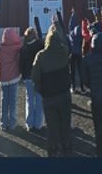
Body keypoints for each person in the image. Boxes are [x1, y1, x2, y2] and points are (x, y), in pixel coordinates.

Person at [31, 19, 73, 157]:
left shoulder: (41, 56)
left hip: (49, 96)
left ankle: (52, 151)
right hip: (64, 94)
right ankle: (66, 148)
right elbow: (67, 44)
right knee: (65, 123)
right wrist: (59, 24)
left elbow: (35, 76)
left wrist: (40, 89)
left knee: (51, 126)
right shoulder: (64, 51)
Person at [0, 27, 22, 131]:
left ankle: (3, 123)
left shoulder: (0, 48)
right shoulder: (17, 47)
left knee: (4, 100)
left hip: (3, 77)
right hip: (14, 76)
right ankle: (13, 123)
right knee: (13, 100)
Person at [19, 25, 45, 132]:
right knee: (39, 100)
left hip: (28, 77)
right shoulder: (40, 45)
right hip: (39, 77)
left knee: (29, 100)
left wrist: (23, 75)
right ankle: (38, 123)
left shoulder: (23, 48)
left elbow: (21, 64)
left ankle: (29, 123)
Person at [67, 9, 85, 94]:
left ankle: (73, 87)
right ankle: (82, 88)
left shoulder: (71, 34)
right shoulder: (80, 37)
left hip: (72, 54)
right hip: (79, 54)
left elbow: (71, 24)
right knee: (80, 70)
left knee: (73, 71)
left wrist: (73, 15)